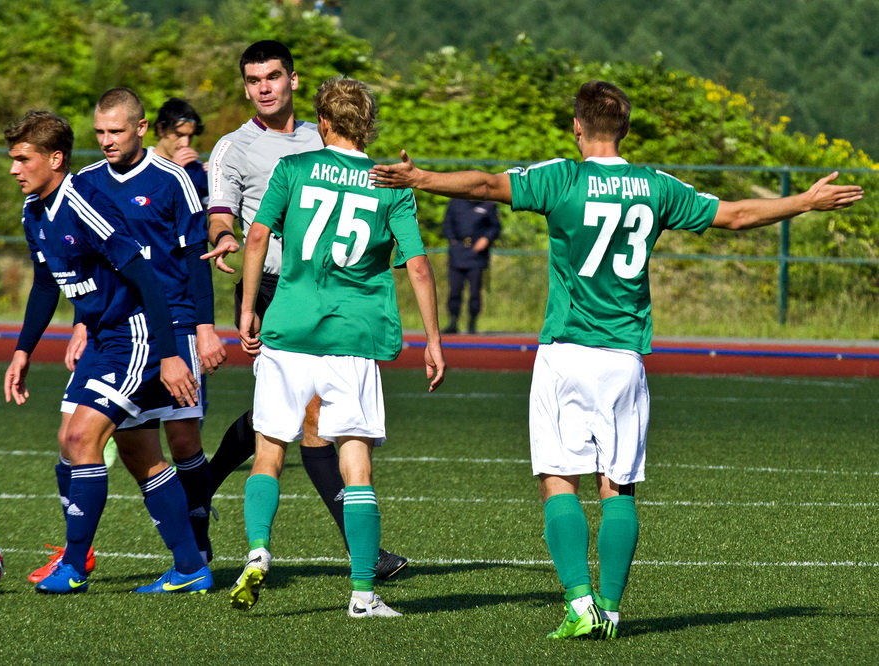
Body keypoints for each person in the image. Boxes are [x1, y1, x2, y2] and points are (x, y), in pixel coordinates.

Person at [370, 80, 863, 637]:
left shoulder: (563, 176)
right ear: (624, 129)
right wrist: (806, 200)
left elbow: (485, 182)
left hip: (565, 352)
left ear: (577, 128)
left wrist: (418, 179)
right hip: (624, 357)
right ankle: (611, 608)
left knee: (558, 478)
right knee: (618, 485)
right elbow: (738, 215)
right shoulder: (655, 186)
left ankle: (579, 600)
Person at [228, 76, 445, 617]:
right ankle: (363, 595)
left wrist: (249, 307)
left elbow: (256, 236)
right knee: (356, 464)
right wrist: (433, 340)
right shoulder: (390, 183)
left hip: (290, 329)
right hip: (353, 338)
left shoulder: (293, 169)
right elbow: (417, 265)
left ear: (321, 122)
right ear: (367, 124)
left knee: (268, 454)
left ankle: (258, 550)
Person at [203, 39, 408, 579]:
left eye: (272, 76)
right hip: (272, 289)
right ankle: (364, 555)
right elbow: (221, 214)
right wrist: (224, 237)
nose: (263, 87)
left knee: (294, 415)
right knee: (306, 418)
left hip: (326, 291)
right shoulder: (233, 147)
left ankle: (199, 485)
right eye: (252, 80)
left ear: (294, 80)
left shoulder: (325, 135)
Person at [3, 110, 213, 594]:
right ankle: (189, 567)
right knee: (136, 453)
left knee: (82, 440)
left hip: (134, 335)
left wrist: (169, 352)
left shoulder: (83, 201)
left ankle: (74, 565)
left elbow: (145, 278)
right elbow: (43, 286)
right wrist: (22, 351)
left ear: (54, 159)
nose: (14, 169)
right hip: (102, 337)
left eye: (22, 159)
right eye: (11, 159)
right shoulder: (34, 210)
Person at [441, 198, 501, 334]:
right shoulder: (455, 203)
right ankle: (453, 322)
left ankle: (472, 324)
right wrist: (453, 241)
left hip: (477, 254)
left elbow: (495, 226)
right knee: (455, 290)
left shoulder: (488, 204)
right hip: (458, 252)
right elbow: (447, 223)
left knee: (475, 291)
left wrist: (486, 239)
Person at [152, 97, 209, 206]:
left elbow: (219, 209)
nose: (185, 143)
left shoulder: (195, 168)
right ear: (160, 129)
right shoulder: (139, 164)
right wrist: (174, 170)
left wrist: (220, 178)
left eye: (190, 136)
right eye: (179, 135)